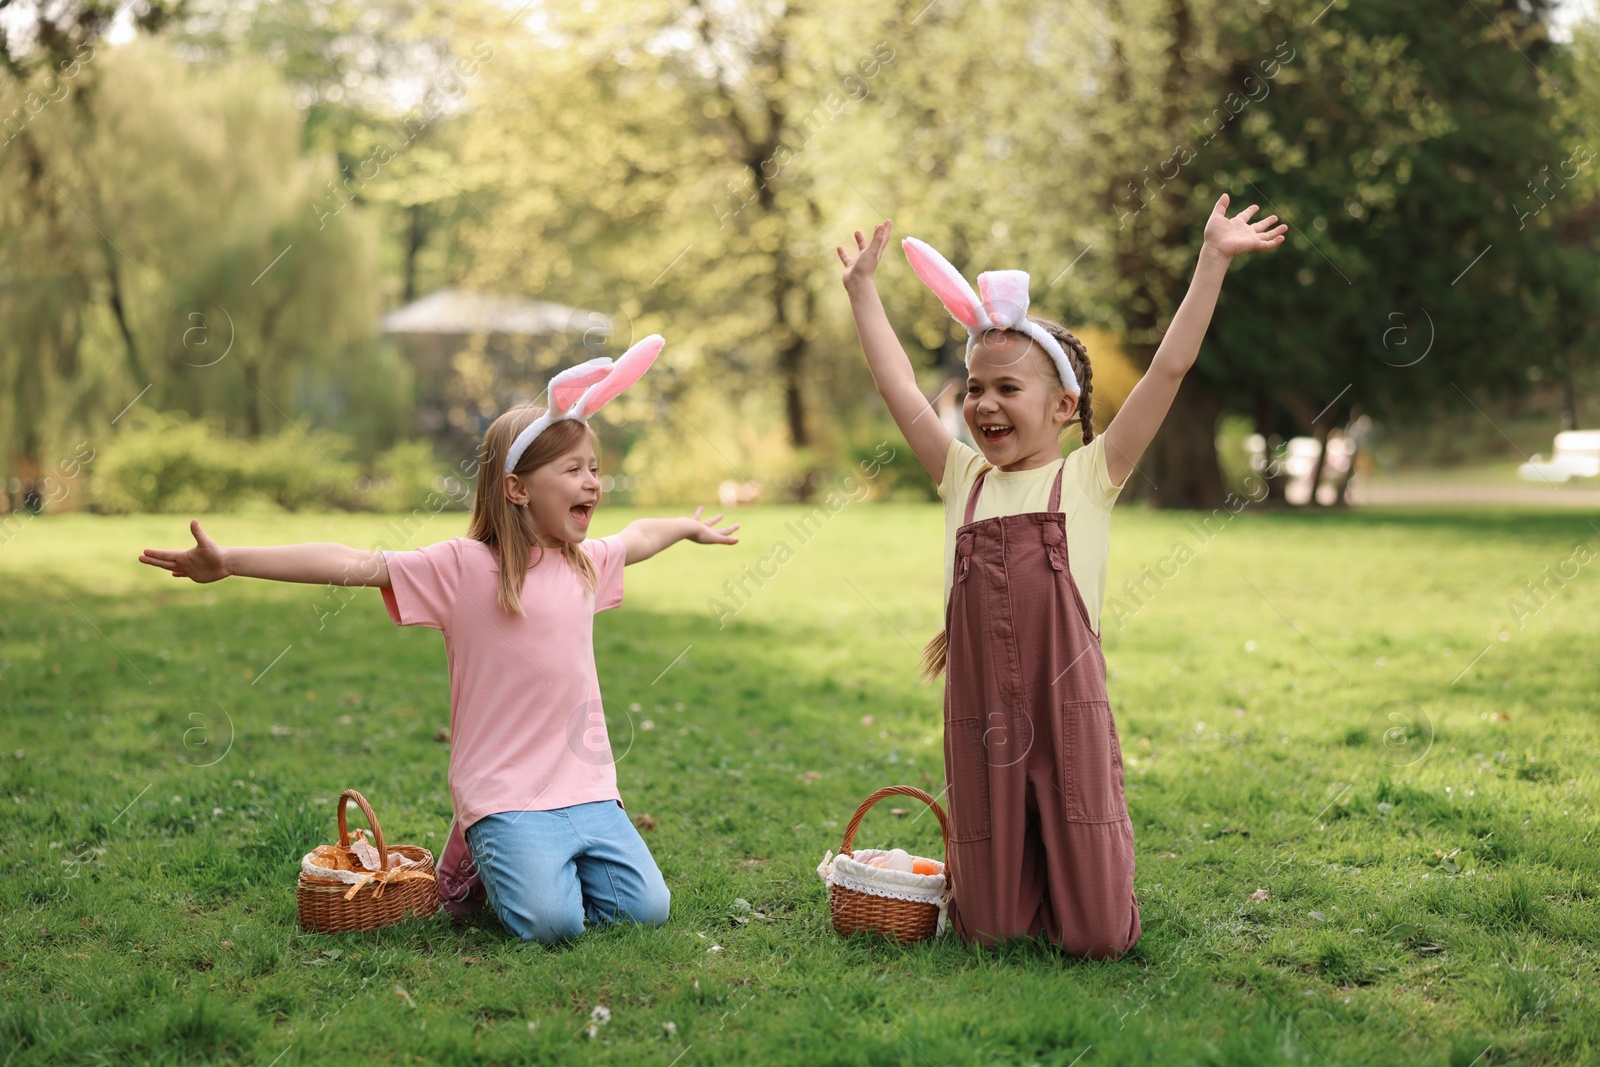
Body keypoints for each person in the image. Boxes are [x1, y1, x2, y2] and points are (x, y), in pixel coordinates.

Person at [137, 337, 740, 944]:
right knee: (552, 925)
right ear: (517, 489)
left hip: (587, 788)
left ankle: (537, 862)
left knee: (647, 911)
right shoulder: (460, 567)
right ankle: (480, 856)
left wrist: (687, 527)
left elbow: (640, 535)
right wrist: (232, 560)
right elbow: (352, 561)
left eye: (594, 470)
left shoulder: (585, 562)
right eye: (573, 470)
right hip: (503, 792)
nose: (592, 484)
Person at [836, 197, 1285, 957]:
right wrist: (863, 293)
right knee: (992, 929)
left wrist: (1211, 260)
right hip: (982, 713)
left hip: (1066, 704)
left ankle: (1072, 887)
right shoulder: (960, 477)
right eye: (975, 388)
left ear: (1063, 405)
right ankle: (1004, 886)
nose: (984, 403)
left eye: (1007, 389)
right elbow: (898, 389)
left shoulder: (1090, 477)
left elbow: (1170, 368)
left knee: (1100, 935)